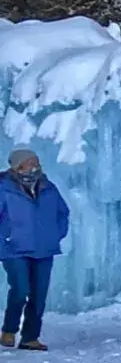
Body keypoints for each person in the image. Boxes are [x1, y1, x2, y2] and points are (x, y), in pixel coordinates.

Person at [0, 148, 71, 352]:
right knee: (21, 289)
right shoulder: (4, 188)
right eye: (30, 162)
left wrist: (55, 234)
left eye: (36, 162)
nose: (35, 166)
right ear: (17, 166)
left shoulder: (48, 187)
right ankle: (9, 330)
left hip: (44, 249)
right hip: (14, 249)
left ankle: (30, 337)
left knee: (39, 295)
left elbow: (62, 212)